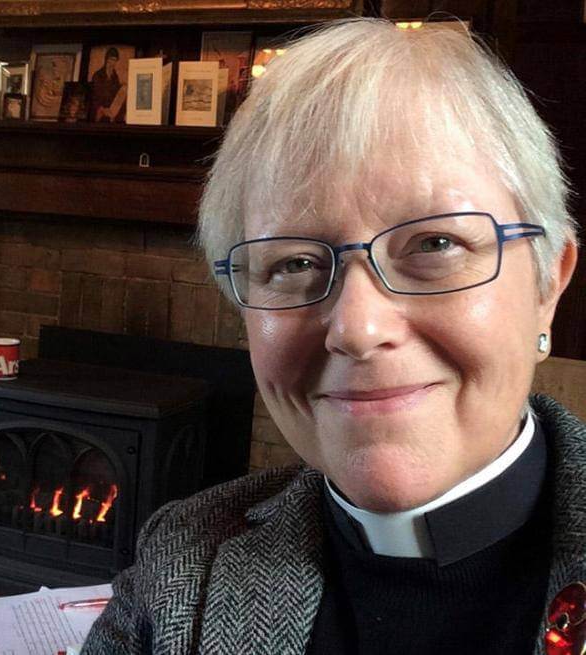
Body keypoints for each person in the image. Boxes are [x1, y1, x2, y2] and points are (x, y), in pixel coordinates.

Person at [82, 18, 583, 654]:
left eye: (436, 243)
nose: (357, 328)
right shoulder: (187, 556)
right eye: (292, 263)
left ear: (548, 286)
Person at [90, 47, 126, 122]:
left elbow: (116, 93)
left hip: (112, 111)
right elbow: (94, 96)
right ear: (107, 59)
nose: (113, 63)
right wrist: (102, 109)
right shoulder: (98, 75)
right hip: (100, 110)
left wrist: (122, 87)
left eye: (115, 60)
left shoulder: (115, 76)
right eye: (111, 59)